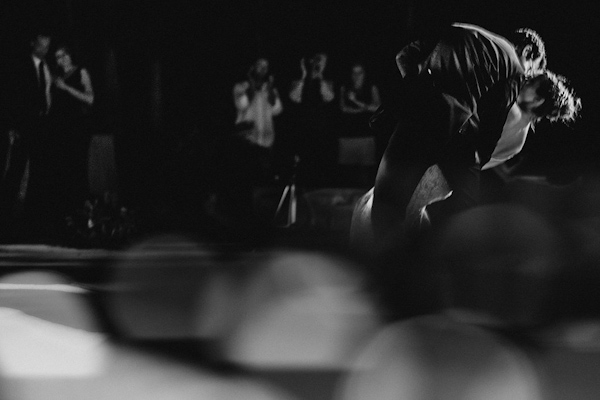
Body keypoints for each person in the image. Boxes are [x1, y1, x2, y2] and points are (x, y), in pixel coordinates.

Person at [369, 23, 581, 251]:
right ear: (528, 54)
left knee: (388, 204)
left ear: (539, 101)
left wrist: (417, 88)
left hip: (427, 124)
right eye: (532, 71)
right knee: (413, 210)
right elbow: (485, 140)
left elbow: (406, 55)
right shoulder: (511, 73)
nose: (527, 75)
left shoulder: (472, 34)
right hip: (450, 139)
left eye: (533, 79)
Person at [0, 31, 53, 240]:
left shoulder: (48, 67)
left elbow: (48, 93)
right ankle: (4, 221)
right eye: (42, 45)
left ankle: (31, 222)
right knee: (15, 171)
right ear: (33, 44)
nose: (45, 50)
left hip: (41, 127)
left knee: (39, 172)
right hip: (24, 126)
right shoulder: (21, 65)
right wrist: (12, 126)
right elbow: (11, 95)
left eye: (47, 46)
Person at [48, 43, 95, 224]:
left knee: (77, 168)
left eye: (65, 54)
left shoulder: (81, 72)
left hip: (78, 128)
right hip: (61, 130)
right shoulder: (57, 76)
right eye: (58, 57)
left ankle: (83, 214)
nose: (62, 59)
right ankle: (65, 215)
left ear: (70, 55)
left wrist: (66, 87)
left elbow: (90, 99)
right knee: (63, 170)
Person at [288, 52, 336, 187]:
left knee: (320, 165)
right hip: (303, 130)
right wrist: (303, 76)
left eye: (322, 62)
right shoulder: (299, 80)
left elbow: (329, 97)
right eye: (317, 61)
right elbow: (293, 97)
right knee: (303, 166)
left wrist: (320, 76)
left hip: (321, 130)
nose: (319, 64)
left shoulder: (327, 80)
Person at [232, 57, 283, 183]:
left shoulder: (270, 89)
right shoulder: (241, 87)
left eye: (266, 66)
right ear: (252, 67)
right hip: (247, 143)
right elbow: (241, 104)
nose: (263, 69)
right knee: (246, 179)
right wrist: (252, 85)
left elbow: (277, 110)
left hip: (266, 143)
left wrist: (270, 89)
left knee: (263, 182)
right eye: (260, 65)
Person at [338, 62, 381, 187]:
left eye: (359, 72)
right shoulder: (345, 87)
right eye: (354, 72)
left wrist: (355, 101)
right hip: (347, 136)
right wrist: (363, 108)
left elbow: (377, 107)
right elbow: (343, 108)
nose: (356, 75)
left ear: (364, 74)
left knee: (365, 175)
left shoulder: (371, 87)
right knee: (346, 174)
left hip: (366, 136)